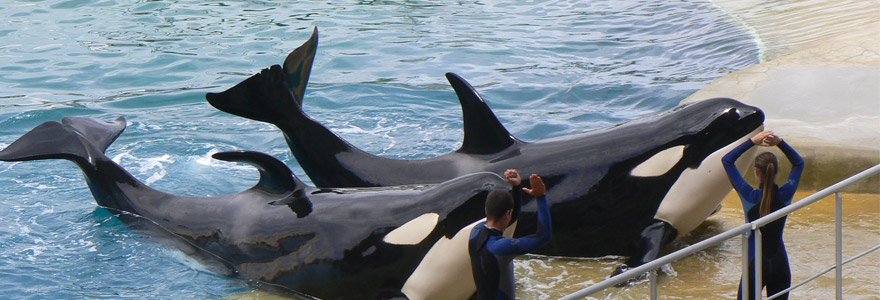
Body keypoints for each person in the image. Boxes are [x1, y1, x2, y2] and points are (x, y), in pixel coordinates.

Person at [722, 130, 804, 300]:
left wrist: (752, 141)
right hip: (780, 264)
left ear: (757, 172)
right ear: (775, 172)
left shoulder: (749, 196)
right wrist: (780, 142)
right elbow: (798, 163)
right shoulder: (785, 195)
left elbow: (727, 161)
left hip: (755, 265)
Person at [469, 169, 552, 300]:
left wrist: (516, 187)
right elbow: (543, 236)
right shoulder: (501, 248)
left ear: (486, 210)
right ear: (507, 214)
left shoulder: (475, 232)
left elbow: (509, 218)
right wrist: (541, 198)